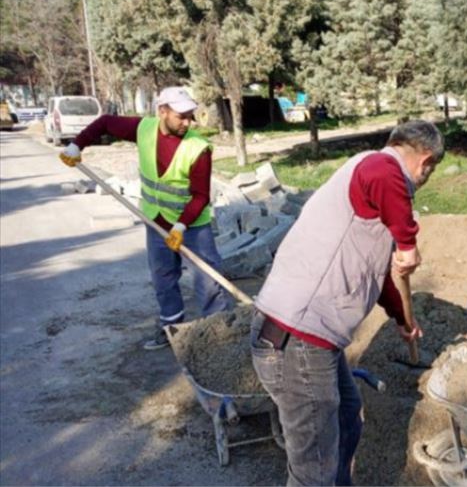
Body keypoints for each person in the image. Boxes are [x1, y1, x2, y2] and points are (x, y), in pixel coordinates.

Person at [250, 120, 444, 486]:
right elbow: (382, 175)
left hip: (309, 339)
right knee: (314, 469)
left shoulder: (374, 197)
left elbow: (382, 275)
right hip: (296, 338)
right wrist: (407, 241)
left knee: (347, 414)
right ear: (426, 162)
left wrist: (402, 319)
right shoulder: (379, 166)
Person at [59, 86, 231, 350]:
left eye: (190, 116)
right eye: (181, 116)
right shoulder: (143, 129)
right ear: (162, 111)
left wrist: (181, 226)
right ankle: (171, 329)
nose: (188, 123)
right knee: (163, 278)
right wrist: (75, 144)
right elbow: (105, 122)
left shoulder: (198, 148)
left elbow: (200, 196)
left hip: (192, 226)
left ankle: (219, 333)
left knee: (209, 280)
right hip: (155, 221)